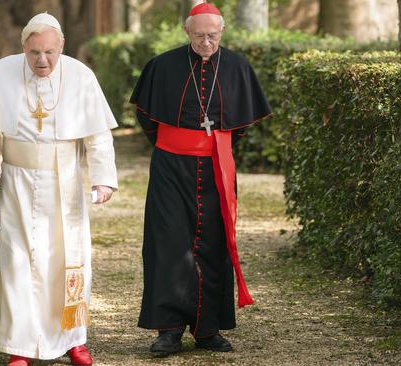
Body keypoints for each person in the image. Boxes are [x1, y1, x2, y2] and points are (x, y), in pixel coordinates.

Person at [0, 12, 118, 366]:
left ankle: (73, 339)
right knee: (20, 263)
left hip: (66, 184)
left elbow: (97, 136)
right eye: (34, 53)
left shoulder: (81, 76)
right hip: (17, 182)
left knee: (69, 261)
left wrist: (103, 177)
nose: (42, 60)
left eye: (50, 52)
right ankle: (20, 346)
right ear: (23, 48)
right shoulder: (1, 72)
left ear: (61, 46)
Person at [130, 1, 272, 356]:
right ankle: (169, 330)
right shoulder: (162, 66)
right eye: (199, 36)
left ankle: (208, 329)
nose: (206, 42)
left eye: (212, 36)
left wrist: (212, 146)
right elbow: (147, 119)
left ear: (222, 32)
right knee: (168, 244)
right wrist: (177, 146)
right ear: (186, 32)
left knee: (213, 244)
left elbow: (238, 127)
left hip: (215, 168)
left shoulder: (237, 67)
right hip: (170, 169)